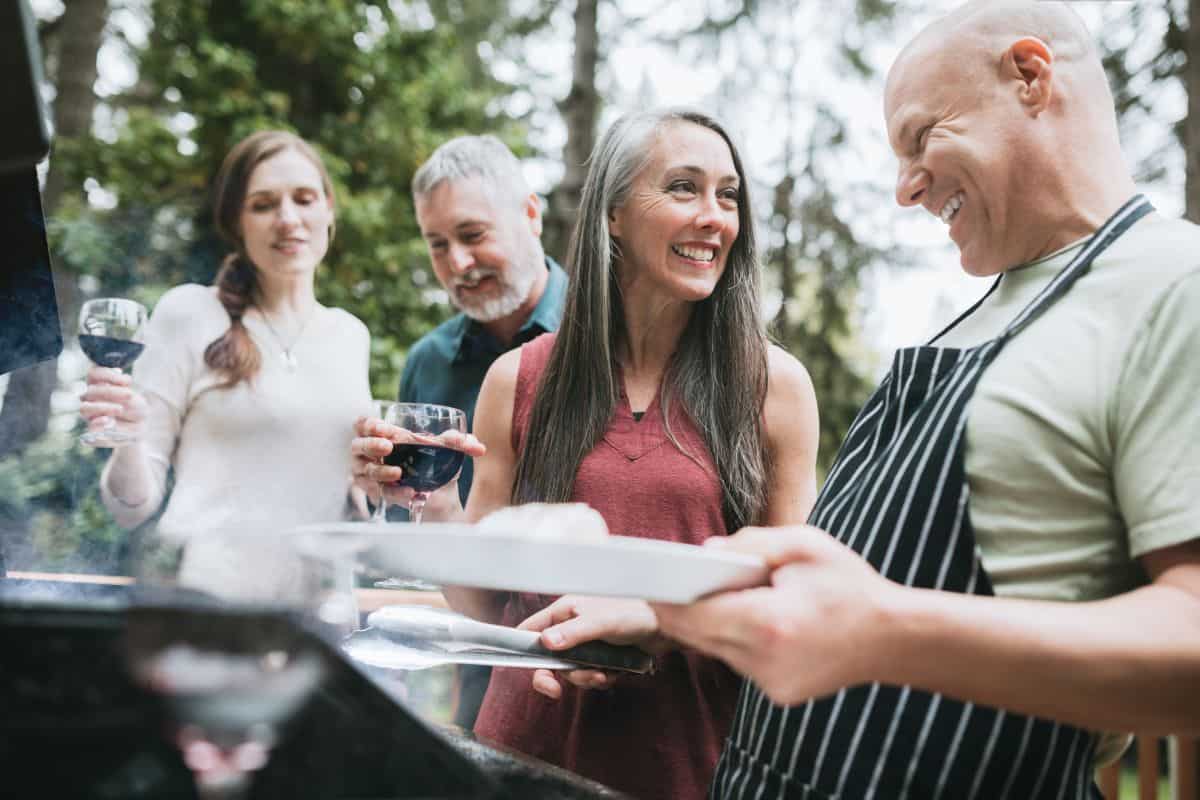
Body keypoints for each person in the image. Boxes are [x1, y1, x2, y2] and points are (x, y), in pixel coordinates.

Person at [547, 3, 1200, 799]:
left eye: (922, 137)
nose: (904, 188)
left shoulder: (1174, 284)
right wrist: (663, 605)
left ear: (1030, 76)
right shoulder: (997, 304)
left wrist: (887, 633)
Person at [351, 108, 821, 799]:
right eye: (684, 188)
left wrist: (659, 622)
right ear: (613, 215)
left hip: (694, 762)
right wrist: (433, 498)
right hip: (527, 755)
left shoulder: (775, 386)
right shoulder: (517, 378)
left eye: (728, 195)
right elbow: (482, 602)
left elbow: (795, 603)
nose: (714, 217)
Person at [80, 131, 371, 572]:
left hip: (319, 615)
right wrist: (130, 436)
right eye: (263, 204)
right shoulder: (189, 312)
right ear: (237, 224)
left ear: (329, 208)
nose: (288, 218)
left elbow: (353, 500)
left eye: (304, 198)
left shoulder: (352, 335)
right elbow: (130, 508)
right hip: (204, 610)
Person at [394, 134, 568, 729]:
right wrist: (389, 489)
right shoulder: (429, 362)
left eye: (472, 235)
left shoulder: (606, 336)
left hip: (597, 668)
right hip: (478, 675)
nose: (457, 265)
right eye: (437, 245)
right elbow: (418, 527)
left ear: (530, 214)